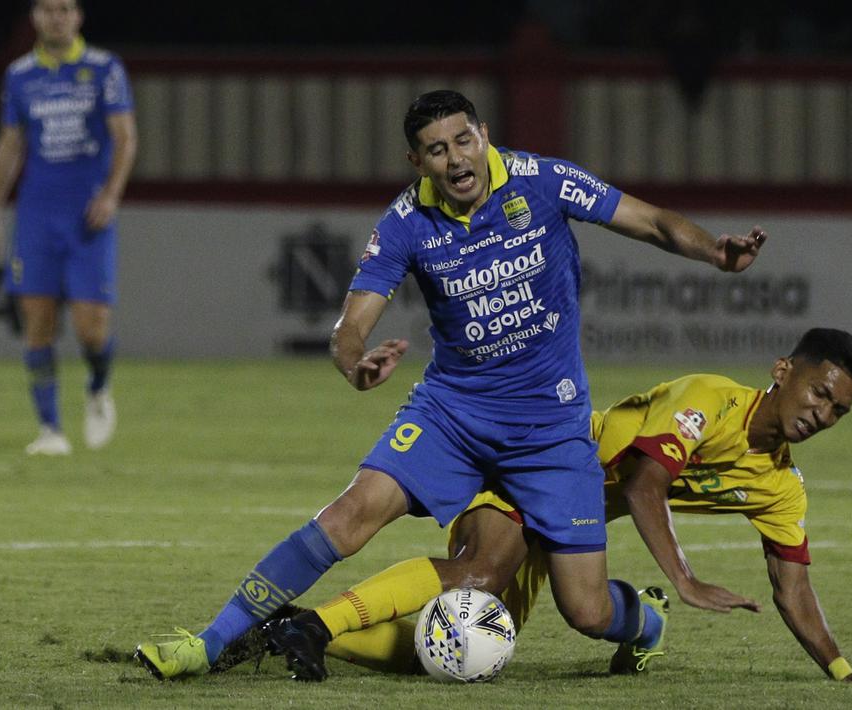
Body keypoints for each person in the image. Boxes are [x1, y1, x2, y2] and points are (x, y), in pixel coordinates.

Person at [135, 89, 766, 681]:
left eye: (463, 140)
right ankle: (208, 643)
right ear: (418, 161)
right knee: (350, 515)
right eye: (437, 150)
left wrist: (715, 253)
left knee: (588, 611)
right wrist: (354, 364)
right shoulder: (407, 221)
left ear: (483, 135)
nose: (455, 158)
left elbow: (651, 222)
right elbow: (351, 324)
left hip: (550, 432)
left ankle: (647, 620)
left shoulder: (541, 181)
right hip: (453, 415)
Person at [213, 328, 852, 682]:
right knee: (478, 577)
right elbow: (640, 484)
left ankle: (646, 623)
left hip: (571, 530)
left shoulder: (780, 486)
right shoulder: (709, 399)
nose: (823, 413)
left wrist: (839, 669)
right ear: (784, 372)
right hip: (534, 464)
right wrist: (687, 577)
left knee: (488, 642)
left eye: (837, 410)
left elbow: (793, 588)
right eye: (818, 393)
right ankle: (309, 627)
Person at [0, 0, 136, 455]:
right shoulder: (20, 75)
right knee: (38, 322)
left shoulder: (104, 69)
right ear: (34, 17)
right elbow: (10, 144)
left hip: (87, 215)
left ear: (79, 17)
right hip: (36, 215)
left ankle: (98, 386)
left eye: (65, 9)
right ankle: (50, 430)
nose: (57, 17)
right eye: (48, 9)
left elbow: (125, 136)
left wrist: (110, 194)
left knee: (92, 328)